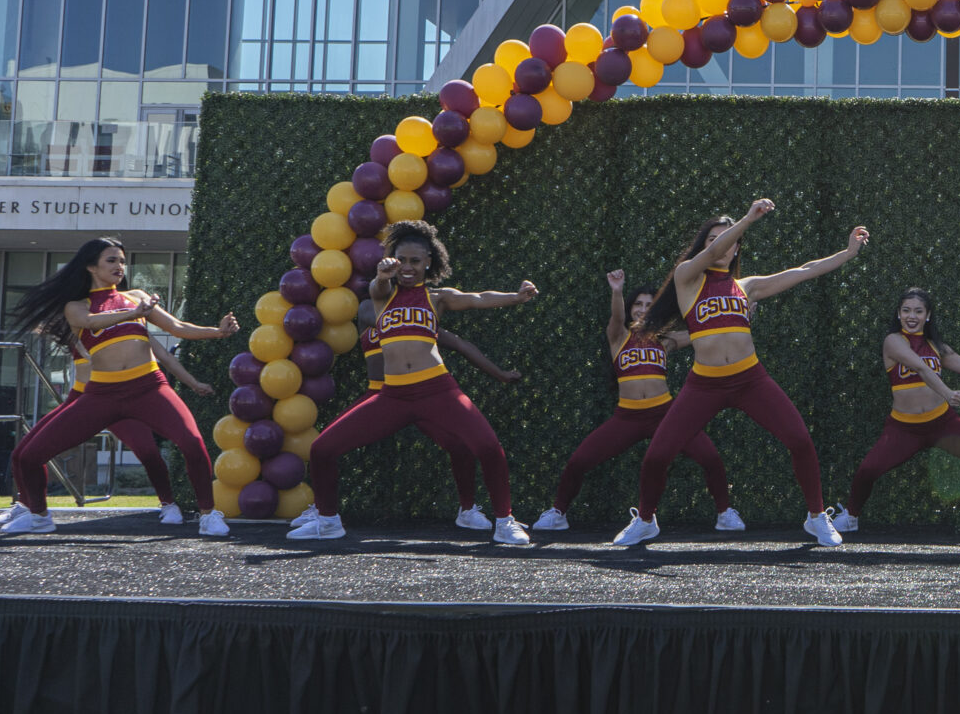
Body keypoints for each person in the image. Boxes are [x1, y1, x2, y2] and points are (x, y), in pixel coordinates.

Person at [618, 199, 868, 548]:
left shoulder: (746, 286)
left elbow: (803, 271)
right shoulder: (687, 278)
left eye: (727, 239)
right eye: (711, 240)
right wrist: (747, 219)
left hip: (750, 379)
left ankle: (816, 517)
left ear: (737, 248)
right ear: (704, 247)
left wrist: (847, 253)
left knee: (799, 439)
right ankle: (645, 521)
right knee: (658, 455)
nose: (719, 244)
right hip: (704, 384)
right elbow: (715, 250)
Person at [289, 221, 538, 545]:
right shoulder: (382, 296)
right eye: (401, 260)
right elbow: (378, 287)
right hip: (392, 396)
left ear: (429, 263)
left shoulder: (437, 298)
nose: (407, 267)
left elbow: (477, 298)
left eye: (415, 261)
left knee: (488, 447)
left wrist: (516, 297)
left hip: (438, 389)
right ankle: (328, 521)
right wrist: (382, 274)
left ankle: (504, 521)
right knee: (322, 448)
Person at [2, 238, 240, 537]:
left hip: (149, 387)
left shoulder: (135, 297)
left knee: (192, 442)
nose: (120, 267)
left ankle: (209, 514)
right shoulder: (76, 307)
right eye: (111, 260)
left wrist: (218, 332)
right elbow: (90, 321)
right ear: (91, 266)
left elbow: (178, 328)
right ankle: (38, 515)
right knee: (28, 455)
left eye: (122, 261)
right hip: (102, 395)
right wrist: (133, 313)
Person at [531, 270, 736, 534]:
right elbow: (616, 317)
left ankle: (724, 513)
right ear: (630, 308)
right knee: (579, 461)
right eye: (638, 304)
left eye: (649, 305)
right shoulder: (618, 336)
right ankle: (558, 512)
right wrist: (617, 290)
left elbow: (707, 332)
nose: (642, 309)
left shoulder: (665, 341)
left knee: (710, 457)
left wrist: (744, 317)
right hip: (627, 416)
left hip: (666, 415)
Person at [835, 286, 960, 535]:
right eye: (906, 310)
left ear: (927, 316)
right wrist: (947, 392)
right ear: (898, 314)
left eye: (918, 311)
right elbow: (922, 369)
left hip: (943, 424)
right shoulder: (893, 341)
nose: (911, 316)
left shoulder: (937, 346)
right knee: (868, 471)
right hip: (904, 427)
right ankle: (850, 517)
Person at [349, 287, 529, 529]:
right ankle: (320, 510)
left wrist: (501, 375)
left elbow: (461, 342)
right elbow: (388, 318)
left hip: (422, 394)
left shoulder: (424, 311)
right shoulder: (369, 308)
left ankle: (467, 510)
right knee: (327, 444)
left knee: (460, 445)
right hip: (381, 395)